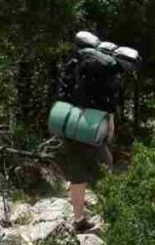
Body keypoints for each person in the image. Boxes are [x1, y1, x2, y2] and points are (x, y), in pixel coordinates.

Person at [56, 32, 139, 232]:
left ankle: (79, 220)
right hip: (87, 124)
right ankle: (115, 219)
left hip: (65, 118)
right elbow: (108, 114)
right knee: (106, 168)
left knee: (77, 173)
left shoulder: (76, 64)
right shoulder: (108, 75)